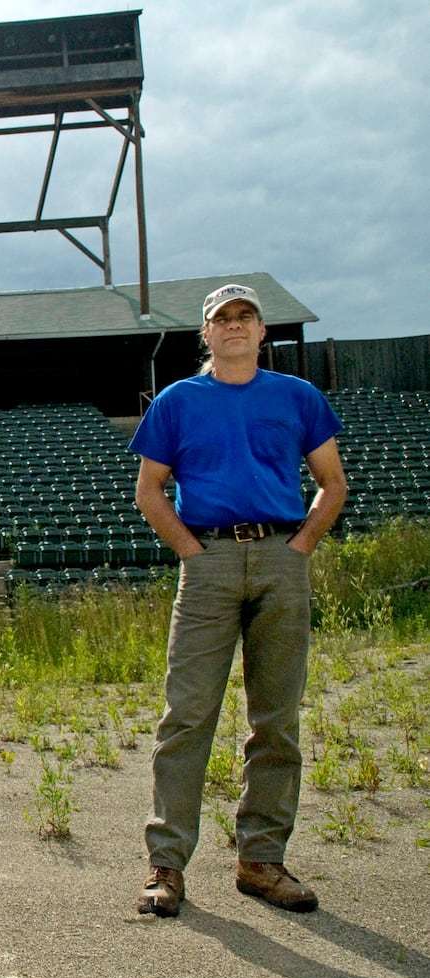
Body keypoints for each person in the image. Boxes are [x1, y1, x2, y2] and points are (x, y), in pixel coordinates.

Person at [129, 282, 347, 917]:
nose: (233, 326)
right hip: (211, 560)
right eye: (221, 318)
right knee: (187, 716)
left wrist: (301, 545)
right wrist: (193, 554)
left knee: (276, 717)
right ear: (206, 333)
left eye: (245, 317)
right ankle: (166, 865)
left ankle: (261, 860)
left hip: (282, 556)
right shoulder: (178, 401)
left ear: (260, 332)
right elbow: (150, 491)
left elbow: (331, 482)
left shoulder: (297, 397)